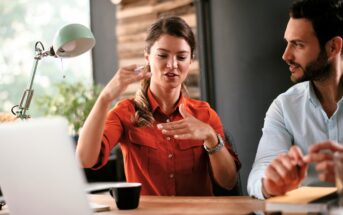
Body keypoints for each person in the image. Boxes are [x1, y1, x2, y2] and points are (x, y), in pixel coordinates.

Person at [76, 16, 240, 196]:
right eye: (162, 55)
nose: (172, 65)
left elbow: (229, 181)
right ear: (147, 57)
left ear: (190, 60)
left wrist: (210, 137)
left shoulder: (204, 114)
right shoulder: (126, 112)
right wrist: (105, 98)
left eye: (181, 57)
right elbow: (85, 160)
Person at [248, 0, 343, 199]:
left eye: (298, 44)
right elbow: (259, 174)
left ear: (333, 47)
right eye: (287, 43)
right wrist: (270, 184)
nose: (286, 55)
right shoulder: (284, 107)